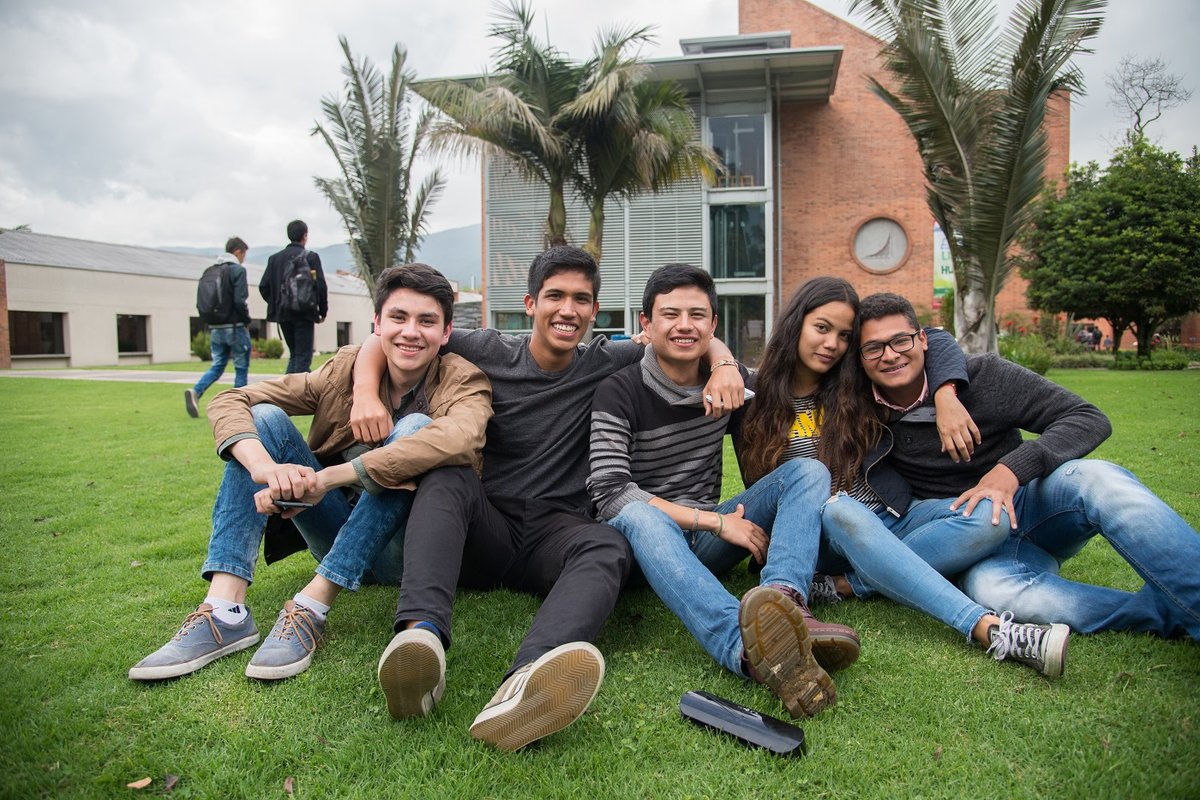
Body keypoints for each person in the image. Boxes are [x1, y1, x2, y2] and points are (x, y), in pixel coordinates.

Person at [349, 245, 746, 751]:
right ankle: (420, 637)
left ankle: (527, 681)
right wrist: (365, 392)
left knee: (609, 545)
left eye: (581, 299)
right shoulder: (486, 348)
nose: (568, 310)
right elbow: (383, 337)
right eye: (555, 296)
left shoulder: (607, 359)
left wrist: (726, 363)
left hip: (555, 531)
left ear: (595, 311)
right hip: (483, 524)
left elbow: (686, 335)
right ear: (530, 303)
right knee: (446, 473)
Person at [130, 264, 491, 682]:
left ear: (445, 333)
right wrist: (266, 469)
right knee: (263, 418)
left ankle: (311, 606)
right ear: (377, 324)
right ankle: (225, 611)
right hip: (331, 530)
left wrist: (326, 479)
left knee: (414, 431)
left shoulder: (462, 380)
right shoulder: (343, 373)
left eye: (426, 321)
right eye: (398, 317)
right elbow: (232, 399)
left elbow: (460, 439)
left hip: (402, 553)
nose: (411, 331)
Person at [740, 278, 1071, 677]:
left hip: (892, 513)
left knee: (989, 516)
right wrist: (723, 361)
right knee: (841, 510)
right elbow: (680, 347)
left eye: (844, 336)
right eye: (821, 328)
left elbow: (930, 337)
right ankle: (990, 629)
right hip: (823, 528)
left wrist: (946, 394)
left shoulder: (852, 385)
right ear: (795, 325)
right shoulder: (749, 393)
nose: (832, 344)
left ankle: (848, 584)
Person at [588, 264, 860, 720]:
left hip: (707, 543)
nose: (684, 325)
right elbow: (611, 493)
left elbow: (793, 388)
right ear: (645, 323)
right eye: (670, 314)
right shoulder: (619, 391)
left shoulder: (731, 387)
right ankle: (747, 649)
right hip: (646, 545)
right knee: (638, 515)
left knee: (806, 472)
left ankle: (785, 605)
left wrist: (727, 364)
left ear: (714, 325)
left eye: (698, 314)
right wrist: (715, 521)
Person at [851, 292, 1200, 641]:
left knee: (1098, 479)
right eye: (874, 348)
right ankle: (1162, 614)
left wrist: (1010, 470)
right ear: (861, 359)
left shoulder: (985, 376)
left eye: (901, 340)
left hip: (1032, 504)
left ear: (923, 339)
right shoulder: (859, 410)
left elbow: (1086, 418)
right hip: (974, 539)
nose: (891, 355)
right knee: (994, 593)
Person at [185, 237, 252, 418]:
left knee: (218, 365)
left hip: (215, 328)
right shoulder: (237, 271)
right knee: (241, 366)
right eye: (244, 255)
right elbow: (240, 300)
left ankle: (196, 392)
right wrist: (247, 320)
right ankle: (240, 408)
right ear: (238, 252)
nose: (243, 259)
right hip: (235, 327)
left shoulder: (210, 271)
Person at [261, 219, 328, 373]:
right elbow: (321, 286)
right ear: (305, 236)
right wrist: (322, 311)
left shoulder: (274, 259)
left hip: (283, 314)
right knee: (303, 357)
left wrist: (277, 303)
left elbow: (264, 286)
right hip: (305, 312)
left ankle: (288, 393)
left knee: (295, 356)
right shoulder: (310, 257)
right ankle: (295, 395)